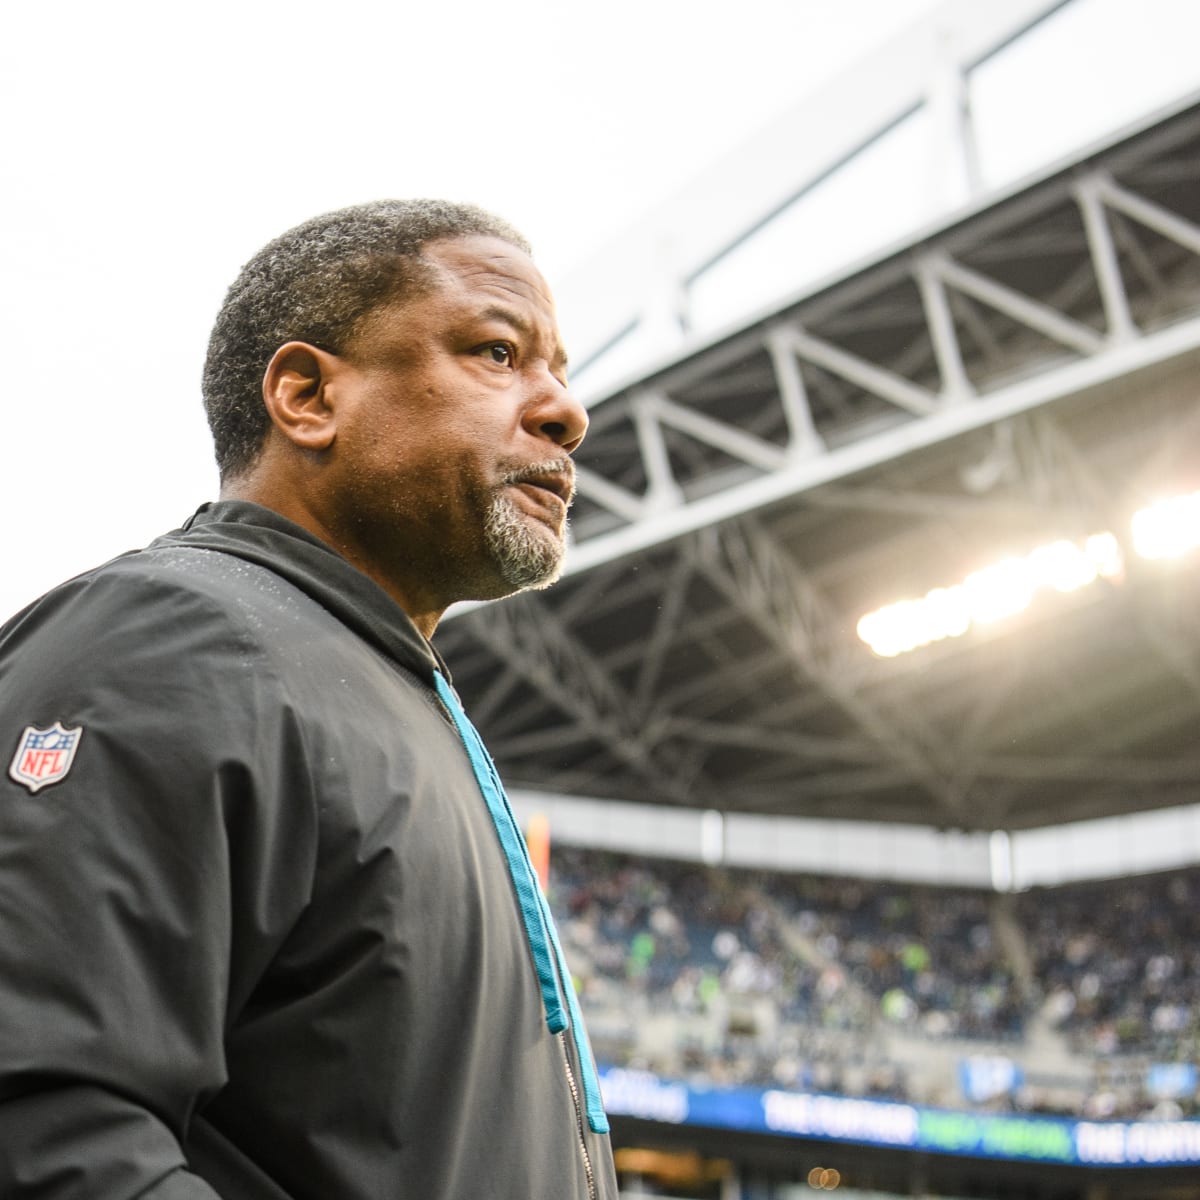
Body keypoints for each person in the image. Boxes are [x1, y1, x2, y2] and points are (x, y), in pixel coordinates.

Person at [0, 200, 619, 1199]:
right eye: (498, 352)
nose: (565, 411)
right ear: (305, 396)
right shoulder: (174, 640)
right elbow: (46, 1125)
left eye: (559, 368)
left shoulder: (391, 692)